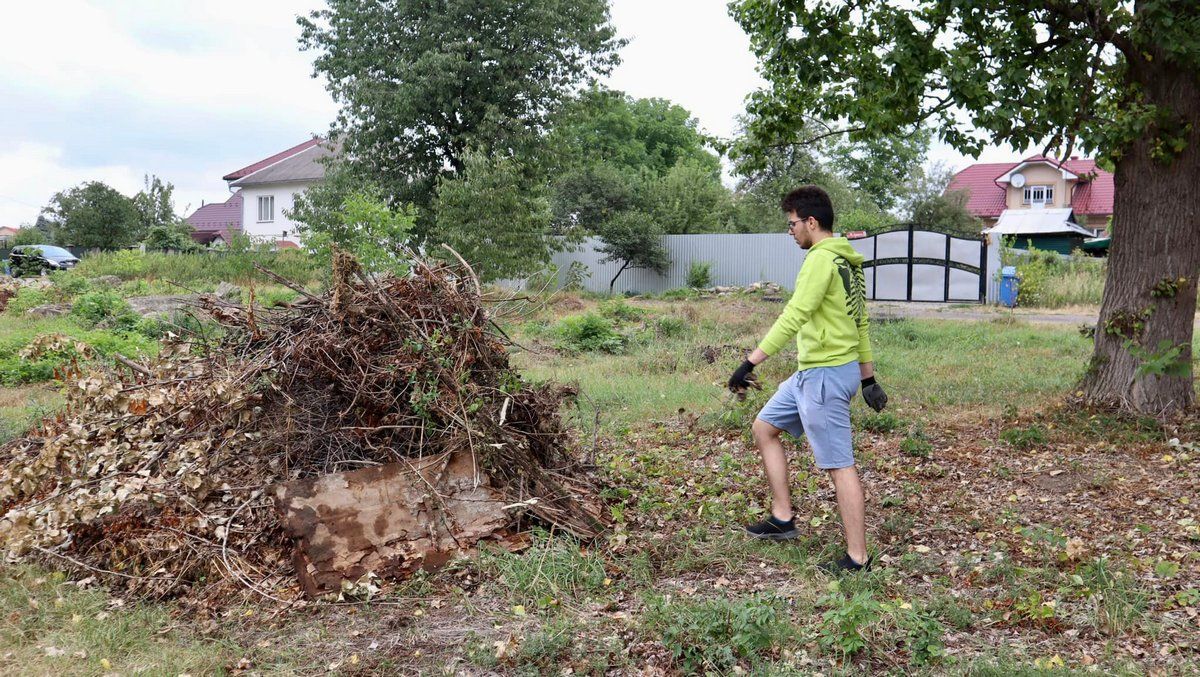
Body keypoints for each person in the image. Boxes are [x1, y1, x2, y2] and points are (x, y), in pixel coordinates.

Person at [728, 185, 887, 573]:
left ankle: (857, 559)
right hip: (814, 373)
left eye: (792, 224)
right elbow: (860, 322)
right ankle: (782, 518)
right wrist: (867, 378)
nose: (791, 232)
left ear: (811, 222)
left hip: (825, 376)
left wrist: (750, 362)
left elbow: (794, 315)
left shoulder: (820, 260)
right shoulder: (847, 263)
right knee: (764, 427)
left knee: (839, 463)